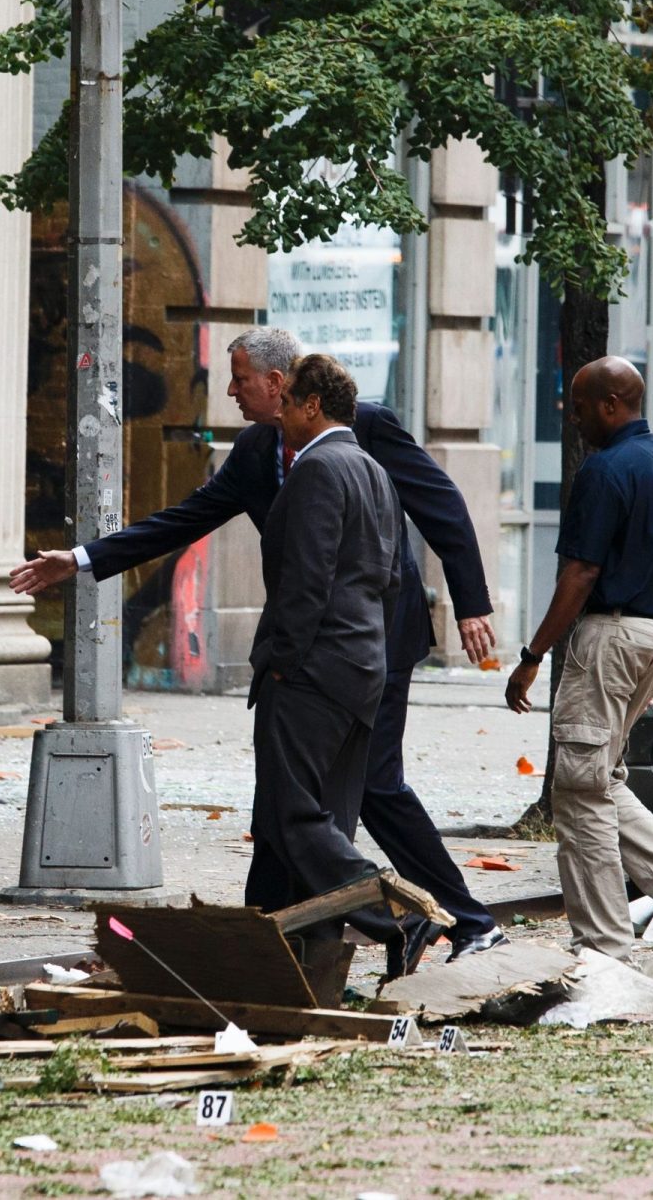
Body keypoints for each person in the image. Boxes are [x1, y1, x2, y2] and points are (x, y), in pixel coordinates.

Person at [11, 326, 506, 961]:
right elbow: (186, 518)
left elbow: (440, 506)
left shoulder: (359, 430)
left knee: (353, 792)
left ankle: (455, 920)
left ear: (281, 386)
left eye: (240, 378)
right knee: (293, 801)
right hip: (325, 653)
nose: (231, 390)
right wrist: (81, 560)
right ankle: (274, 943)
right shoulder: (255, 450)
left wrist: (470, 604)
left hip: (362, 646)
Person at [504, 356, 653, 968]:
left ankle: (604, 948)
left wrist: (532, 655)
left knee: (578, 791)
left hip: (610, 637)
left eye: (577, 407)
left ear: (610, 404)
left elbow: (581, 572)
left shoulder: (603, 471)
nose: (571, 418)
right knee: (600, 778)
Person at [248, 354, 432, 977]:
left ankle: (399, 915)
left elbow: (306, 580)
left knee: (292, 812)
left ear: (312, 406)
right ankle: (300, 957)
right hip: (361, 666)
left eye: (288, 398)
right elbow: (390, 579)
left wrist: (283, 662)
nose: (278, 410)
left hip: (315, 669)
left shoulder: (318, 468)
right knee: (319, 820)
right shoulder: (374, 472)